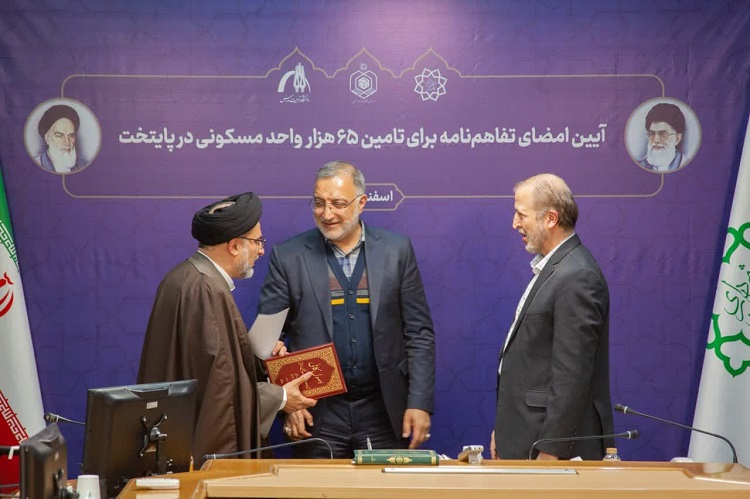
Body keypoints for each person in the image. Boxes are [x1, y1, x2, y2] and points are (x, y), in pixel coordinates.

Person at [258, 161, 435, 458]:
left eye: (338, 204)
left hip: (384, 409)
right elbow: (266, 341)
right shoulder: (288, 256)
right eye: (319, 203)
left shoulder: (396, 251)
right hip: (316, 413)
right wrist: (287, 400)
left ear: (361, 203)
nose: (327, 214)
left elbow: (419, 332)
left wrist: (419, 402)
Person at [137, 192, 317, 463]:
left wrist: (259, 359)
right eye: (257, 241)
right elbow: (220, 393)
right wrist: (280, 397)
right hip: (202, 453)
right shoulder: (207, 290)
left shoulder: (184, 277)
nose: (261, 250)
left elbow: (208, 366)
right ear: (234, 246)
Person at [492, 174, 613, 460]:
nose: (514, 223)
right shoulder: (555, 269)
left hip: (549, 450)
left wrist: (551, 449)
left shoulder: (577, 276)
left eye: (522, 215)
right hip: (525, 436)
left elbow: (572, 375)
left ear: (550, 219)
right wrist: (504, 430)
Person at [34, 104, 88, 173]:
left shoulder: (84, 165)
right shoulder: (36, 164)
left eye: (71, 136)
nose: (67, 142)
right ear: (47, 138)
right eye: (59, 135)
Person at [637, 103, 686, 172]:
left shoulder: (686, 164)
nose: (656, 140)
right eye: (652, 134)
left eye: (663, 134)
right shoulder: (639, 166)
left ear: (677, 138)